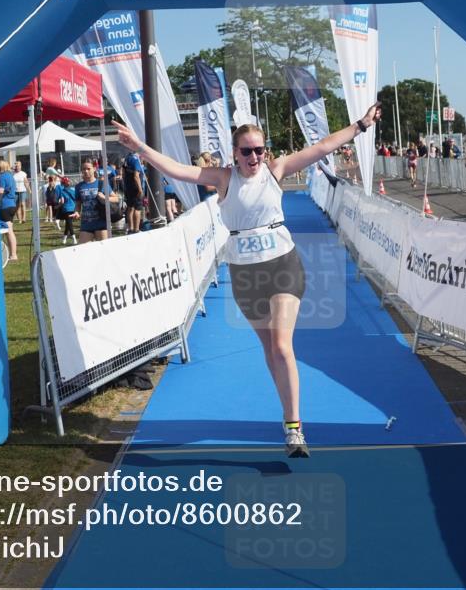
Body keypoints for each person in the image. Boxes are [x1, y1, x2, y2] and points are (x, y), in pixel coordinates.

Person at [112, 101, 383, 458]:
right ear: (235, 154)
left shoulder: (275, 169)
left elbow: (322, 147)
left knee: (282, 347)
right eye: (247, 151)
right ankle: (287, 415)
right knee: (270, 350)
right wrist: (139, 148)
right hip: (245, 274)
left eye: (259, 150)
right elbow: (178, 170)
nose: (254, 157)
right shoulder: (224, 178)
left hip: (283, 265)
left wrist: (360, 125)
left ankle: (294, 428)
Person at [75, 161, 109, 243]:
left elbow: (116, 198)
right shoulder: (79, 186)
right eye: (84, 169)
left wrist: (104, 197)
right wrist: (77, 212)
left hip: (101, 223)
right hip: (86, 224)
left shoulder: (101, 183)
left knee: (104, 249)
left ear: (94, 169)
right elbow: (78, 203)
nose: (86, 171)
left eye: (88, 169)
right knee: (83, 249)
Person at [0, 160, 18, 262]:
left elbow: (0, 190)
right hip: (12, 205)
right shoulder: (10, 176)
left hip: (5, 206)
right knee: (10, 231)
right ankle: (12, 254)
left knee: (8, 231)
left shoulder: (2, 177)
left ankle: (13, 255)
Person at [123, 148, 146, 234]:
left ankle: (130, 229)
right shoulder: (136, 160)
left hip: (128, 187)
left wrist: (126, 184)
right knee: (137, 208)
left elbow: (123, 173)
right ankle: (136, 229)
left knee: (130, 207)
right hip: (135, 188)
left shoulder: (127, 158)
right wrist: (140, 189)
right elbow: (136, 176)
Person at [56, 176, 79, 244]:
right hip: (73, 209)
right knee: (68, 224)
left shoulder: (62, 191)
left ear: (62, 183)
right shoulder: (73, 190)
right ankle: (65, 239)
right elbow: (76, 199)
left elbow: (62, 201)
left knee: (69, 224)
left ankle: (73, 239)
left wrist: (57, 206)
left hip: (66, 209)